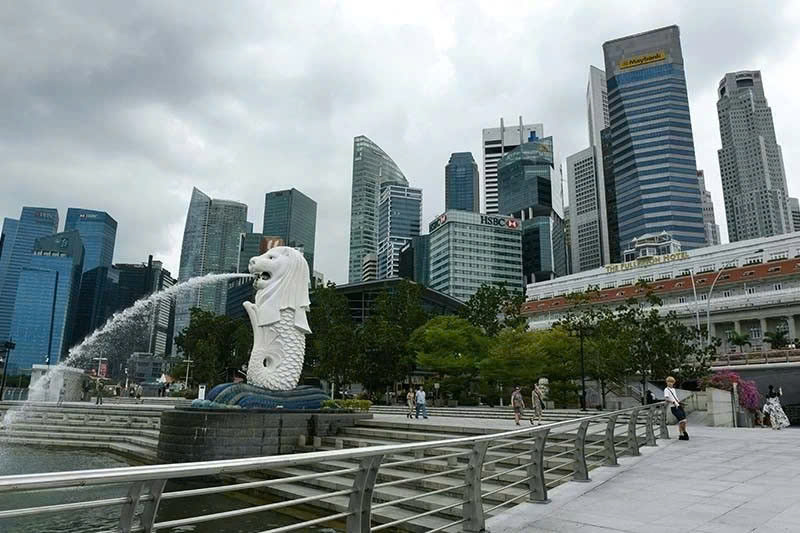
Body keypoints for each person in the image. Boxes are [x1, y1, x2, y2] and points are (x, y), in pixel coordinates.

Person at [664, 376, 688, 440]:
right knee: (682, 420)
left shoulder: (673, 389)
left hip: (678, 406)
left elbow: (675, 398)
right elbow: (666, 399)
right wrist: (673, 402)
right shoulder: (666, 390)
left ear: (673, 383)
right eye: (668, 382)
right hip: (673, 407)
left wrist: (680, 403)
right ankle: (684, 433)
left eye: (671, 382)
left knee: (683, 421)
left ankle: (681, 434)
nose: (670, 383)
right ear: (666, 382)